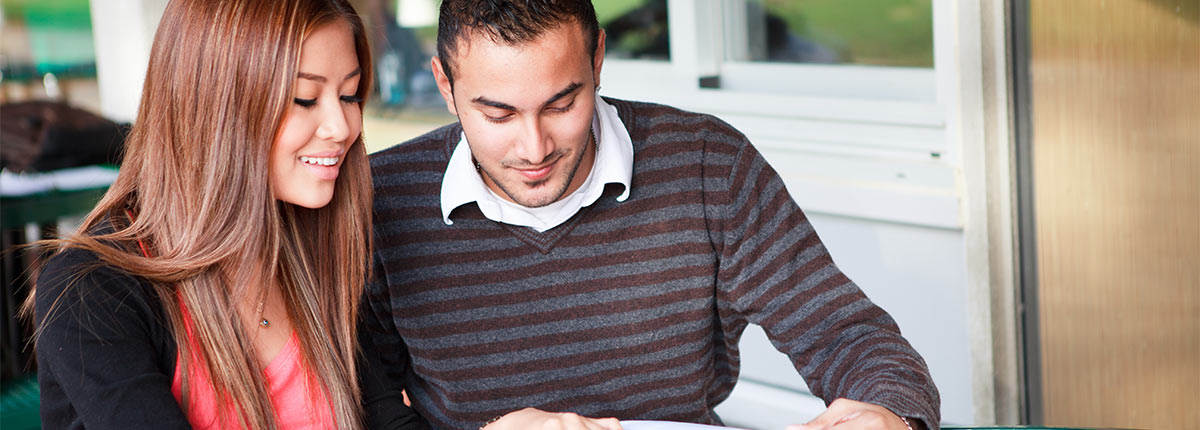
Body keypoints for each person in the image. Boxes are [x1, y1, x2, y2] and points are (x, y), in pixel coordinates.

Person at [363, 1, 940, 430]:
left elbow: (844, 334)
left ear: (598, 59)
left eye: (562, 103)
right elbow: (369, 400)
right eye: (498, 115)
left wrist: (888, 413)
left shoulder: (710, 164)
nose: (534, 148)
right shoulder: (380, 197)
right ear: (445, 84)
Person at [30, 0, 422, 428]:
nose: (342, 127)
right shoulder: (92, 290)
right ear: (216, 107)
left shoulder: (321, 248)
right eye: (305, 99)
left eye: (349, 95)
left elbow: (385, 416)